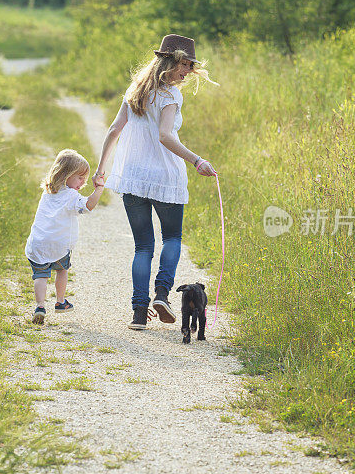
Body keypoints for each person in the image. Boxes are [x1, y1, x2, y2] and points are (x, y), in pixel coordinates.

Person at [92, 34, 218, 330]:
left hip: (133, 178)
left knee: (143, 247)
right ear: (170, 62)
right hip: (165, 177)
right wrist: (197, 160)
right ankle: (162, 293)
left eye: (190, 65)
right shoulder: (171, 95)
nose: (187, 71)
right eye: (184, 65)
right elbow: (165, 135)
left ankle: (139, 314)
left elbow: (114, 130)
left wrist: (102, 169)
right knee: (172, 239)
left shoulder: (135, 90)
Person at [25, 149, 106, 325]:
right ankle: (60, 302)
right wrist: (99, 189)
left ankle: (40, 306)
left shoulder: (48, 192)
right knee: (62, 270)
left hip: (38, 243)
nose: (83, 181)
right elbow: (89, 205)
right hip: (60, 245)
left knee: (40, 275)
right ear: (65, 175)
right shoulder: (71, 196)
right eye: (79, 177)